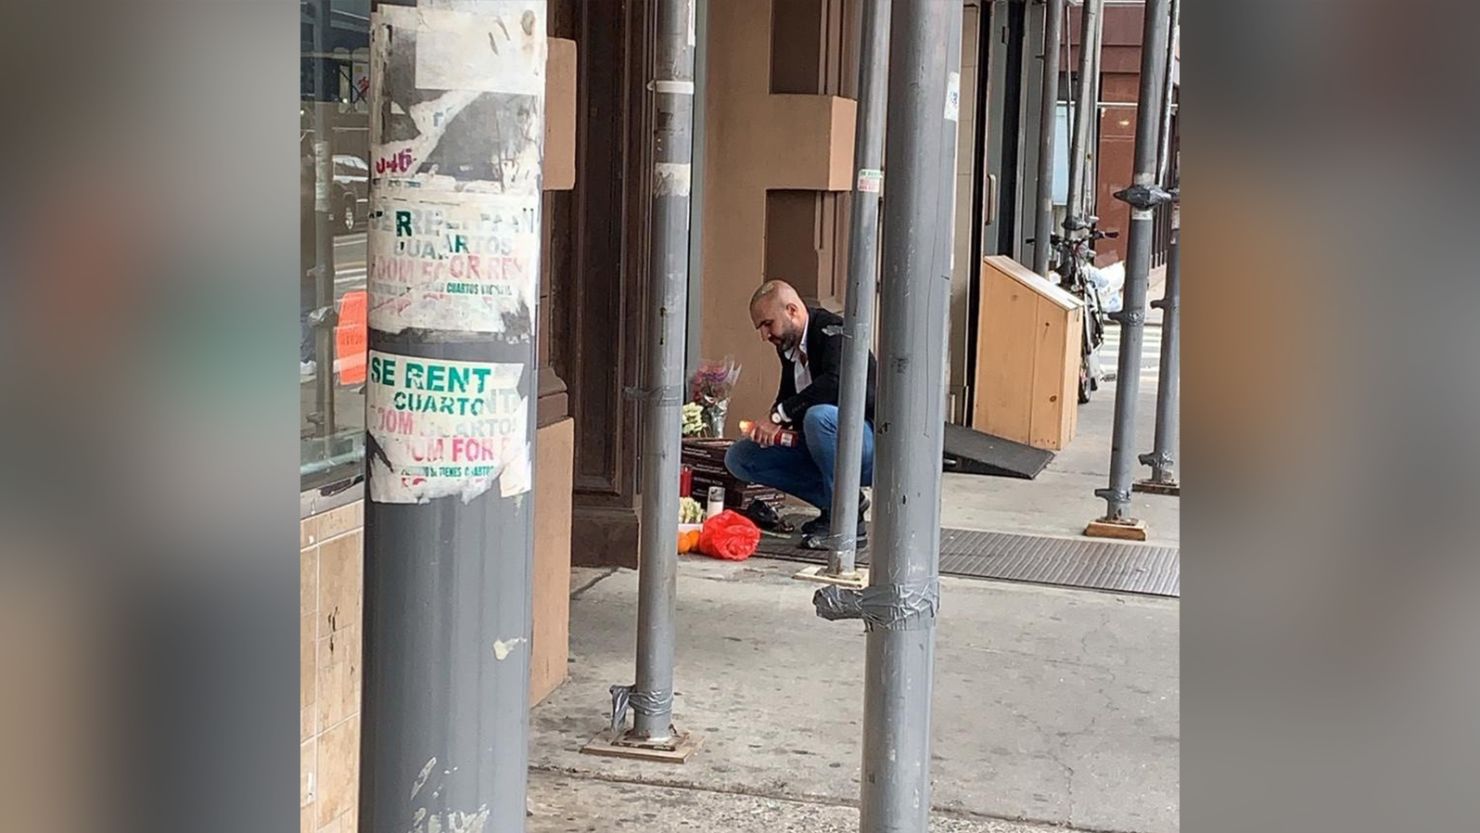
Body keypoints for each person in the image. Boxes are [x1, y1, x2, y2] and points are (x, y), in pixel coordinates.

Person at [725, 280, 877, 548]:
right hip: (822, 442)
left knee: (819, 418)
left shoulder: (833, 331)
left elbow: (834, 383)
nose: (764, 335)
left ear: (792, 310)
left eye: (767, 324)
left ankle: (848, 524)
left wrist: (778, 416)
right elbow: (789, 398)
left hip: (869, 443)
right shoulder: (788, 348)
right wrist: (769, 426)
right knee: (740, 456)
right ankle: (837, 505)